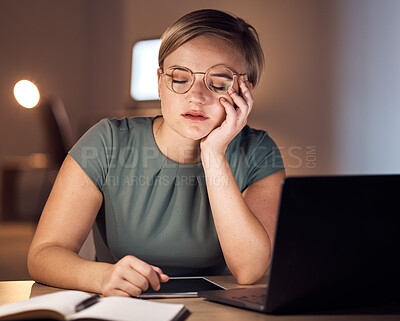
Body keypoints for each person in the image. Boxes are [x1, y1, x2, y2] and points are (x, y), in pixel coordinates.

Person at [28, 9, 285, 297]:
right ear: (161, 82)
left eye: (219, 81)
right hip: (123, 307)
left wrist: (214, 153)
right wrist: (100, 276)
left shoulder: (259, 151)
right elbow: (44, 254)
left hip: (220, 313)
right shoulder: (108, 141)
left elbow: (249, 270)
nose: (196, 96)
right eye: (179, 77)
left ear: (244, 89)